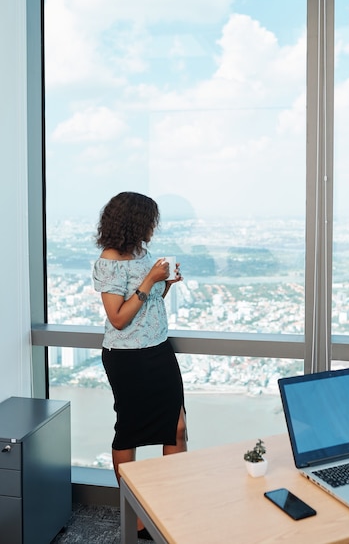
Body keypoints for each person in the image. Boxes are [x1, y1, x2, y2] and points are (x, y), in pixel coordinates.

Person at [92, 191, 187, 541]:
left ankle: (168, 506)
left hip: (158, 350)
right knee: (129, 430)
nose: (153, 226)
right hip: (128, 357)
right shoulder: (109, 262)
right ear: (134, 221)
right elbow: (118, 319)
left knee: (177, 428)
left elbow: (146, 307)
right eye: (149, 219)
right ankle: (135, 516)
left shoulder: (142, 255)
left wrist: (165, 285)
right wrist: (149, 280)